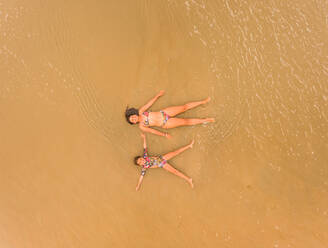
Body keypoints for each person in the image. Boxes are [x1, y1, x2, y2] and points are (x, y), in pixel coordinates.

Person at [125, 90, 214, 138]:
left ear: (134, 114)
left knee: (184, 107)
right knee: (185, 121)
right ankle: (205, 120)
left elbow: (149, 103)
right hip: (165, 123)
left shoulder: (141, 111)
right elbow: (153, 131)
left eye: (132, 117)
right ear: (134, 123)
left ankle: (203, 102)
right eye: (133, 120)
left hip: (164, 113)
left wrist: (157, 96)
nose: (134, 119)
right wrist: (164, 135)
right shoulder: (142, 126)